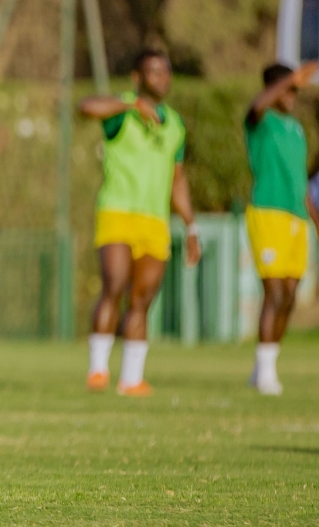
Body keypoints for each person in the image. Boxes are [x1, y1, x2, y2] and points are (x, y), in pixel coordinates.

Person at [80, 49, 200, 397]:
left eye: (166, 72)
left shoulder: (175, 124)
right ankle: (98, 370)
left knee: (143, 299)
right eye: (153, 72)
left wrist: (191, 225)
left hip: (154, 220)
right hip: (117, 211)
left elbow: (177, 180)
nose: (162, 78)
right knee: (114, 285)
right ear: (137, 78)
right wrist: (130, 106)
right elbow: (86, 107)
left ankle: (131, 378)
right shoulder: (121, 111)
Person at [244, 63, 319, 395]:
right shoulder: (261, 121)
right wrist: (288, 80)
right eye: (287, 88)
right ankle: (265, 373)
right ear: (272, 88)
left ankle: (264, 365)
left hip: (296, 218)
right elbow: (256, 106)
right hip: (268, 213)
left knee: (291, 296)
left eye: (296, 89)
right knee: (275, 292)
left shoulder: (296, 130)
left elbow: (301, 182)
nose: (292, 95)